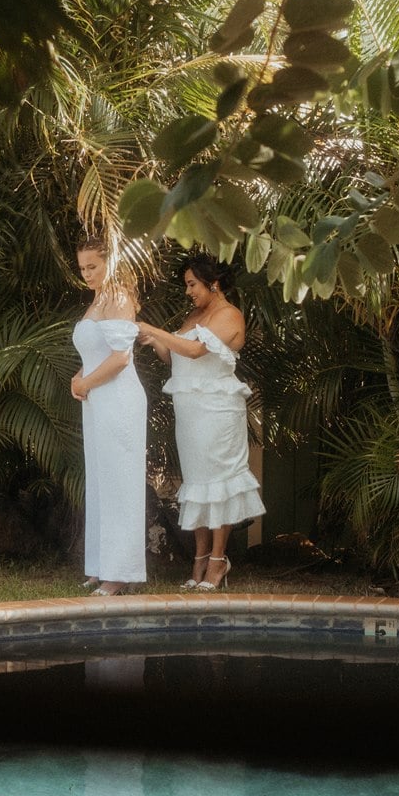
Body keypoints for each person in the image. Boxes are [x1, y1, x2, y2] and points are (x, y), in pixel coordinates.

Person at [138, 252, 264, 591]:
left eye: (192, 284)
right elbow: (175, 356)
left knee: (219, 483)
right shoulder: (194, 315)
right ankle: (200, 557)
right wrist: (155, 342)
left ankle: (218, 561)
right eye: (187, 285)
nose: (188, 291)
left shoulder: (229, 315)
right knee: (197, 484)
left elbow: (195, 352)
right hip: (190, 412)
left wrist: (153, 328)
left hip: (219, 412)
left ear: (214, 282)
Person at [71, 232, 147, 596]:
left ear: (110, 262)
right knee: (101, 480)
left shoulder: (118, 297)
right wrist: (79, 376)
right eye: (82, 267)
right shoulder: (98, 299)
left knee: (120, 481)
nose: (86, 274)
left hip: (118, 398)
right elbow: (94, 352)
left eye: (93, 266)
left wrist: (87, 384)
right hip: (98, 398)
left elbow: (120, 358)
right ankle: (102, 564)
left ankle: (121, 571)